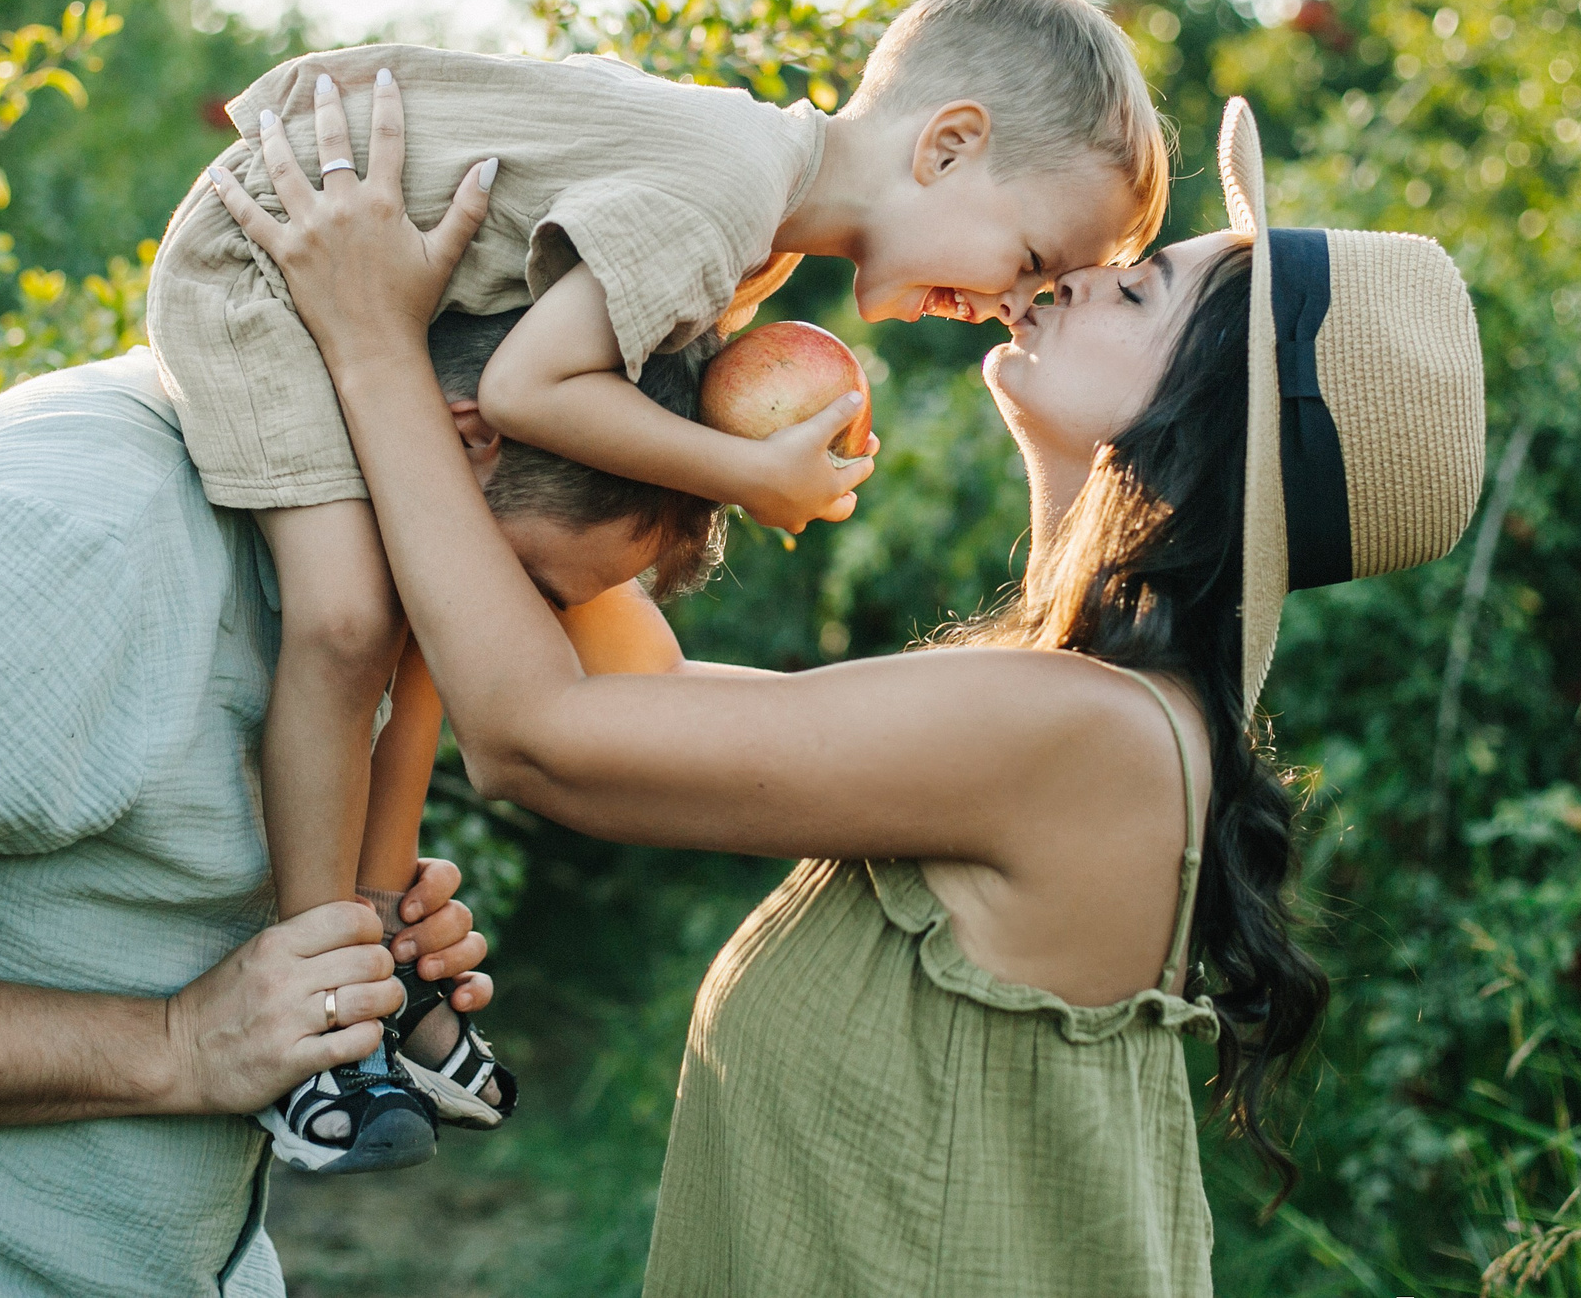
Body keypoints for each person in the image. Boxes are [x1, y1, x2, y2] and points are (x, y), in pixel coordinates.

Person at [219, 92, 1489, 1296]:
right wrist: (632, 376)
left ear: (1204, 416)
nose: (1084, 273)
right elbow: (637, 684)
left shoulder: (1085, 734)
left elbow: (543, 738)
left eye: (1144, 285)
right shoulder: (1086, 709)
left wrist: (377, 348)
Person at [157, 0, 1173, 1168]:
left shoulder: (759, 243)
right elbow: (534, 388)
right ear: (949, 146)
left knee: (427, 624)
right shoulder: (728, 193)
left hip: (373, 292)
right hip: (271, 258)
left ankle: (375, 955)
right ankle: (316, 1010)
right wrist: (745, 477)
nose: (1011, 304)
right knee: (345, 619)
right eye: (1030, 257)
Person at [0, 320, 717, 1298]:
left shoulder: (371, 541)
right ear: (465, 437)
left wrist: (349, 940)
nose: (514, 646)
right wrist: (179, 1044)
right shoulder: (61, 538)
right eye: (528, 590)